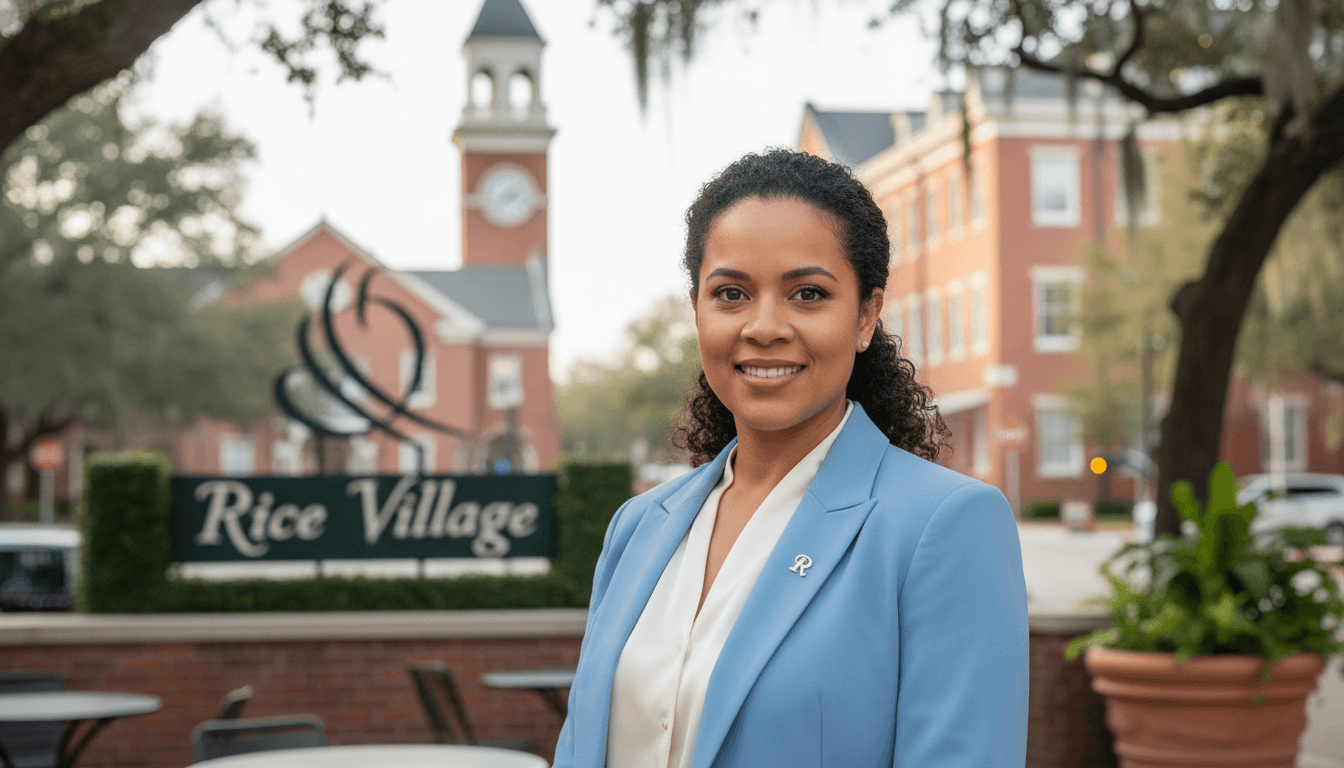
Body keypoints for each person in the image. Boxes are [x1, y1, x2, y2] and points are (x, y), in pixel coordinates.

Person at [553, 149, 1028, 768]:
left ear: (866, 316)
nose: (764, 326)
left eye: (808, 293)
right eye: (731, 293)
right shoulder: (638, 528)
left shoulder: (945, 526)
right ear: (697, 310)